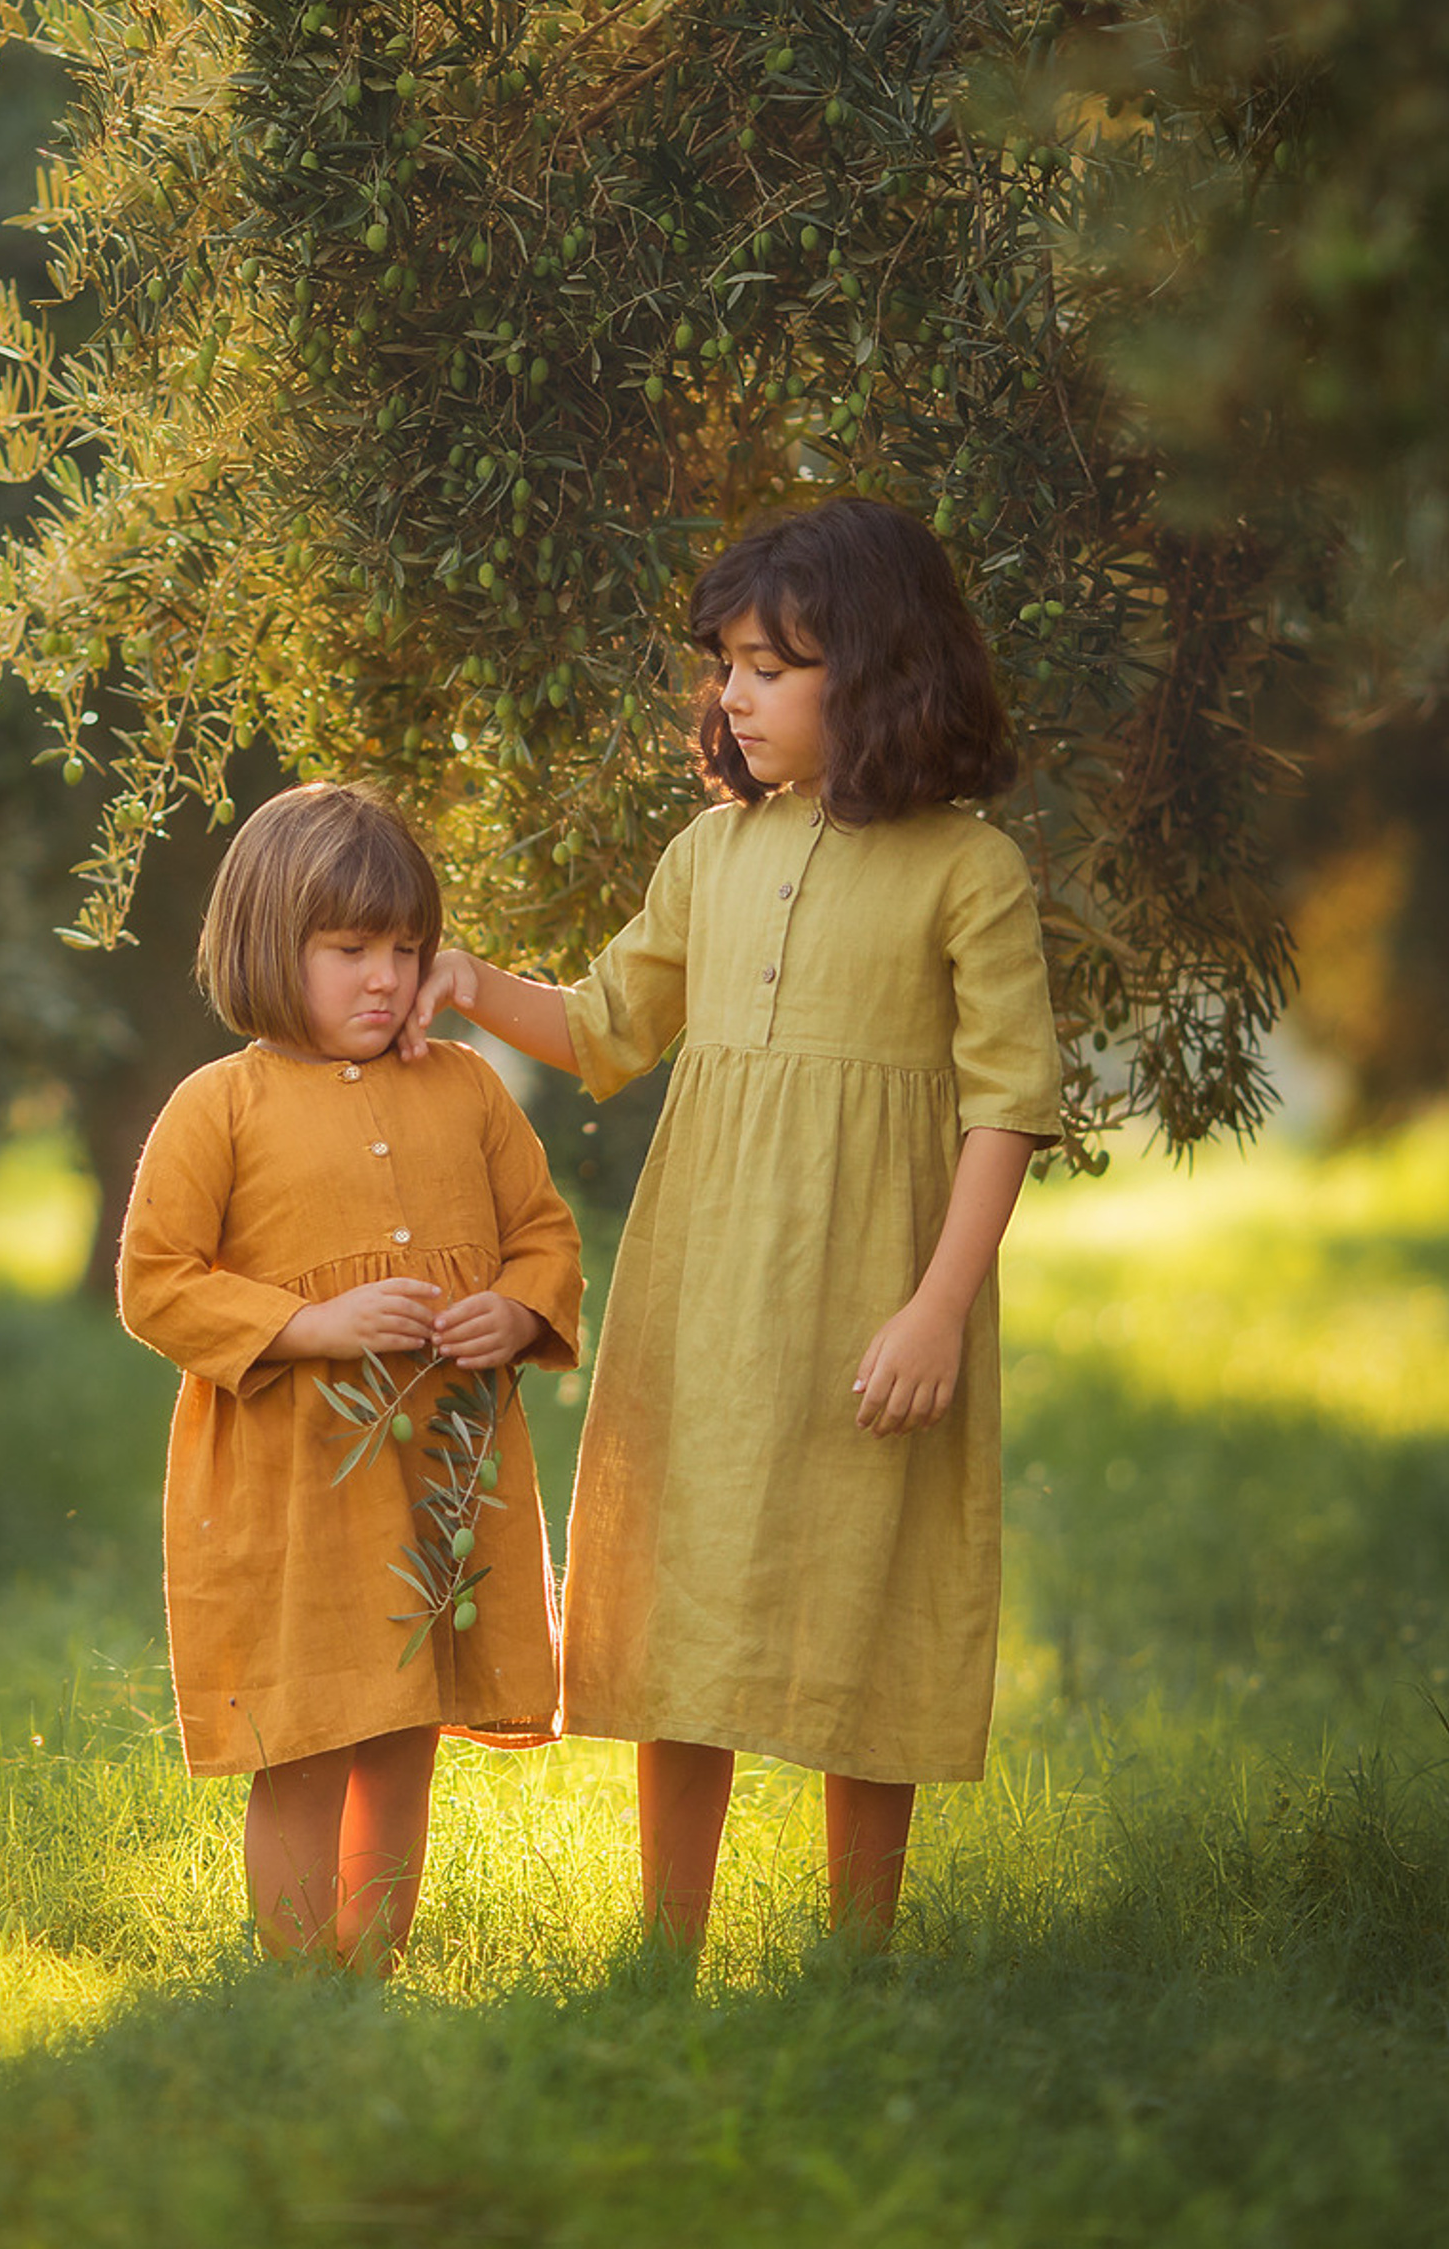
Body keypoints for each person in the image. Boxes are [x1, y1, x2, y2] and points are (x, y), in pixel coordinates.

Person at [399, 497, 1062, 1953]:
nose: (735, 694)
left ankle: (858, 1959)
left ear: (880, 672)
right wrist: (463, 980)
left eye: (775, 665)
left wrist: (937, 1307)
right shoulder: (712, 851)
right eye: (727, 664)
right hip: (703, 1279)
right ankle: (664, 1954)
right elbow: (605, 1026)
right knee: (682, 1574)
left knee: (869, 1582)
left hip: (874, 1287)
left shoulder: (970, 871)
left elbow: (1008, 1104)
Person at [119, 781, 584, 1974]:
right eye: (348, 949)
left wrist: (515, 1307)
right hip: (296, 1492)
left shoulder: (469, 1087)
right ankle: (294, 1981)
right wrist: (309, 1326)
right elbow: (155, 1282)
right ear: (273, 946)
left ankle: (370, 1966)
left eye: (404, 948)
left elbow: (543, 1231)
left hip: (439, 1476)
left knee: (402, 1728)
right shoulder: (215, 1104)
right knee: (308, 1728)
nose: (383, 976)